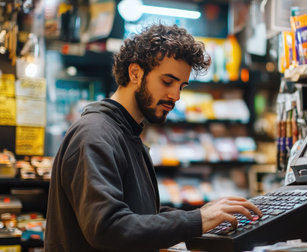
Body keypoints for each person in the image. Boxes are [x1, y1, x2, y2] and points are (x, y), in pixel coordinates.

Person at [44, 24, 262, 252]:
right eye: (167, 82)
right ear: (135, 73)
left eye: (181, 86)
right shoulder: (94, 134)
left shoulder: (127, 133)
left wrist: (205, 214)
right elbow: (108, 228)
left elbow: (141, 215)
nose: (175, 96)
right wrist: (198, 220)